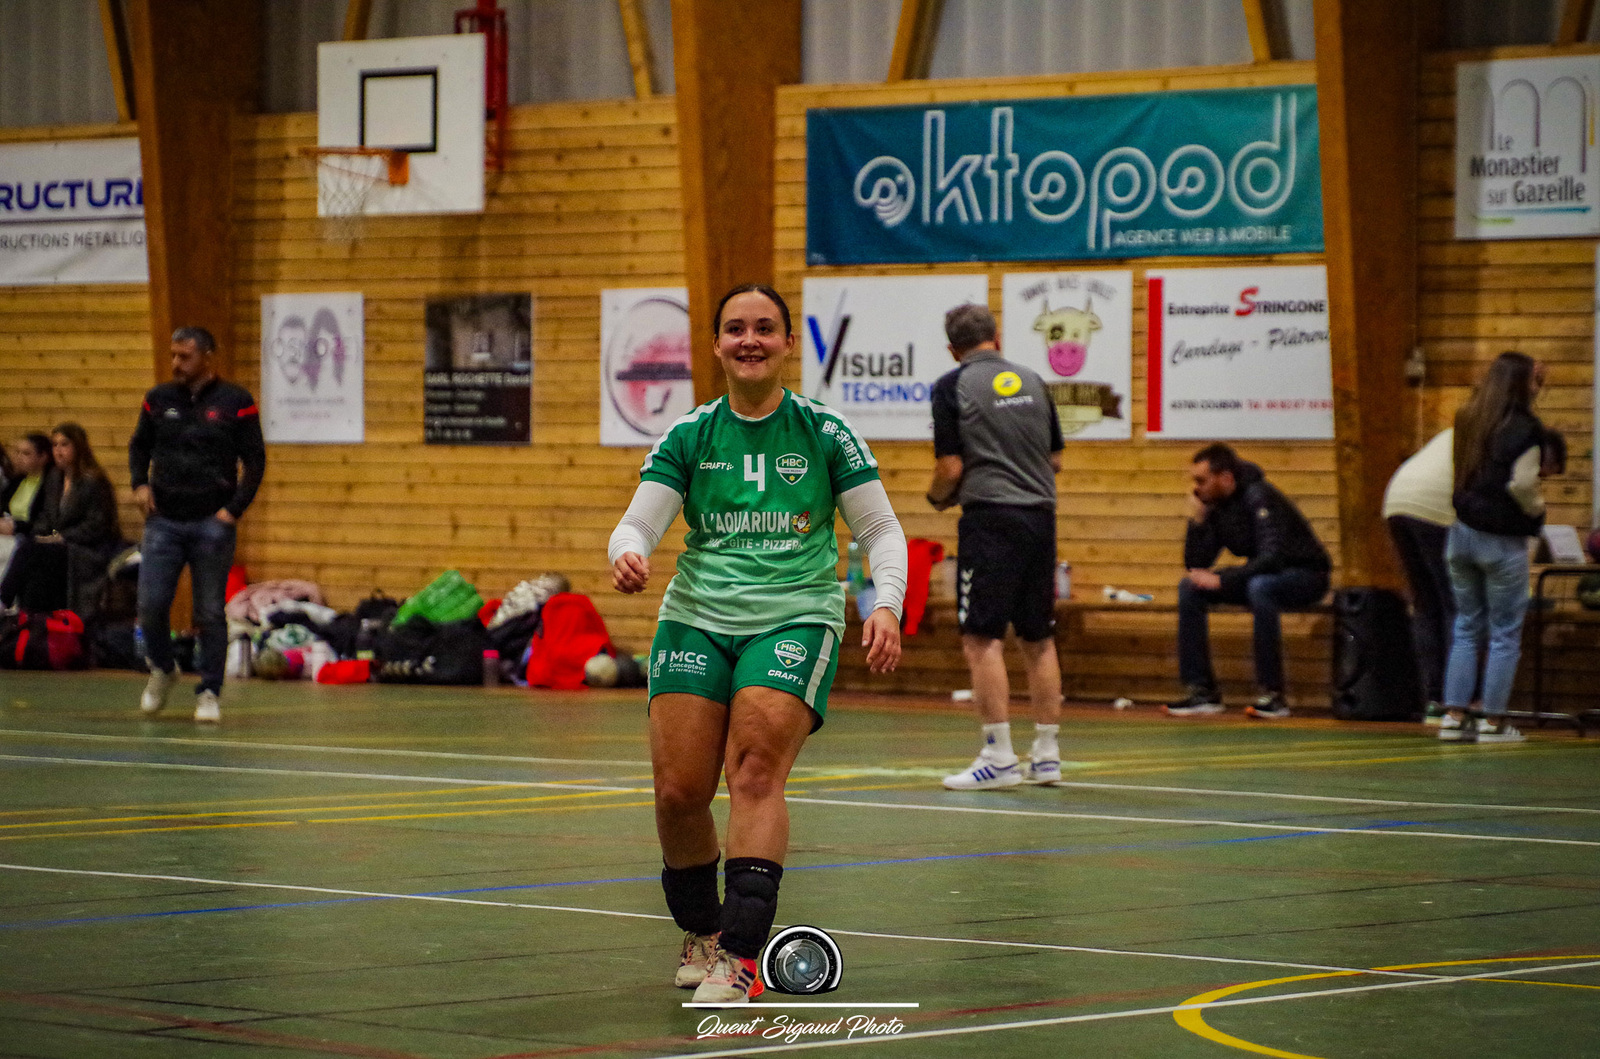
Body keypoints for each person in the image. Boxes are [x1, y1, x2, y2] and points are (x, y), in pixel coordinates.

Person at [608, 283, 906, 1005]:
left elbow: (880, 531)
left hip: (794, 615)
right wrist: (627, 552)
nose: (750, 339)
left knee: (752, 771)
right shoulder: (690, 434)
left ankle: (741, 954)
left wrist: (887, 604)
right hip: (697, 614)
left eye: (764, 328)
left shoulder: (825, 432)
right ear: (715, 345)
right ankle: (703, 932)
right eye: (735, 328)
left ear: (784, 344)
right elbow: (637, 522)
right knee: (679, 791)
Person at [924, 303, 1066, 791]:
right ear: (997, 336)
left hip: (991, 521)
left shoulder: (951, 387)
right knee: (1038, 637)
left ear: (952, 348)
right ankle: (1046, 756)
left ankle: (999, 756)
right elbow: (1056, 458)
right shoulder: (1033, 381)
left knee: (981, 636)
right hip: (1040, 517)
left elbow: (950, 470)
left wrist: (937, 499)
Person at [129, 326, 266, 724]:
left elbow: (255, 460)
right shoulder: (158, 399)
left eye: (184, 356)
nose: (176, 363)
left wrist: (234, 509)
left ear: (208, 356)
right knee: (151, 606)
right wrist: (139, 484)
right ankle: (162, 668)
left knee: (209, 611)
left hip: (212, 522)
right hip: (164, 521)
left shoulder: (236, 401)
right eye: (173, 355)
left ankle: (209, 691)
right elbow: (139, 445)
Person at [1165, 443, 1331, 720]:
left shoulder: (1259, 496)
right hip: (1264, 574)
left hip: (1306, 575)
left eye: (1201, 480)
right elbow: (1197, 565)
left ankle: (1273, 694)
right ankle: (1202, 691)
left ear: (1226, 478)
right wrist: (1198, 520)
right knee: (1190, 588)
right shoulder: (1216, 506)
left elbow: (1272, 557)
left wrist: (1223, 580)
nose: (1196, 488)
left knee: (1260, 587)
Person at [1439, 352, 1550, 744]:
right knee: (1504, 633)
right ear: (1524, 383)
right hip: (1502, 540)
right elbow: (1521, 484)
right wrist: (1538, 512)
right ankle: (1493, 722)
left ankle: (1453, 716)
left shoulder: (1469, 417)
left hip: (1461, 534)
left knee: (1467, 626)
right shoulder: (1526, 427)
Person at [0, 424, 121, 616]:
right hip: (59, 545)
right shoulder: (55, 478)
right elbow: (46, 518)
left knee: (31, 551)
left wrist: (62, 537)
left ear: (78, 447)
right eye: (55, 445)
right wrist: (40, 534)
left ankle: (4, 601)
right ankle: (28, 619)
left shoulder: (93, 481)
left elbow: (97, 526)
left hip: (87, 549)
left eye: (64, 445)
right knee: (31, 550)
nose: (58, 451)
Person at [1382, 428, 1455, 722]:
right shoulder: (1500, 433)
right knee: (1454, 606)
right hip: (1433, 506)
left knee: (1425, 604)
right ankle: (1456, 702)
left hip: (1396, 499)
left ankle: (1434, 699)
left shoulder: (1454, 431)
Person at [0, 433, 52, 581]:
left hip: (27, 536)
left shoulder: (49, 485)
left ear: (43, 457)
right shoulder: (17, 481)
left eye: (26, 453)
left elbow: (44, 522)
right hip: (7, 532)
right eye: (18, 452)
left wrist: (16, 526)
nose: (19, 457)